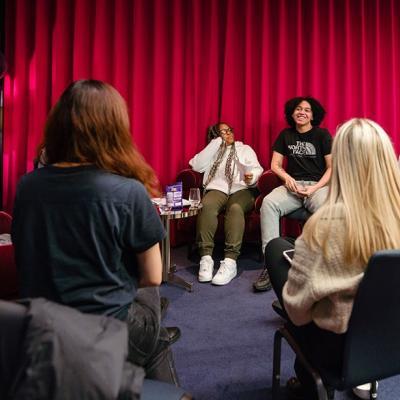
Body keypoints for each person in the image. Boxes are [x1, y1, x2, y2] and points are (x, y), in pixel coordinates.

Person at [11, 80, 180, 385]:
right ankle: (157, 341)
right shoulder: (129, 191)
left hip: (42, 325)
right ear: (114, 128)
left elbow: (26, 255)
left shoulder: (27, 186)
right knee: (151, 298)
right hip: (106, 329)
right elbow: (153, 276)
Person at [266, 118, 400, 399]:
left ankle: (309, 381)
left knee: (277, 249)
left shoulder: (325, 225)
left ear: (342, 165)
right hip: (391, 342)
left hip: (338, 353)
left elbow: (298, 312)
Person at [254, 96, 332, 292]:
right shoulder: (285, 135)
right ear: (292, 112)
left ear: (313, 115)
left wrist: (314, 189)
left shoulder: (322, 135)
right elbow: (275, 165)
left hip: (318, 187)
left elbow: (332, 168)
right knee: (269, 203)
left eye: (307, 110)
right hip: (293, 187)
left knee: (329, 209)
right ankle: (270, 265)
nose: (302, 112)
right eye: (298, 109)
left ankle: (324, 265)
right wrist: (287, 178)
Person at [189, 122, 263, 285]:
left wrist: (252, 177)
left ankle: (230, 261)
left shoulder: (244, 149)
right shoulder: (213, 151)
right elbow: (196, 165)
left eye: (229, 130)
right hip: (217, 189)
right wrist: (216, 143)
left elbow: (257, 169)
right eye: (223, 132)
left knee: (235, 208)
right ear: (215, 136)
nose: (228, 134)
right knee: (206, 205)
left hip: (242, 189)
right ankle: (206, 258)